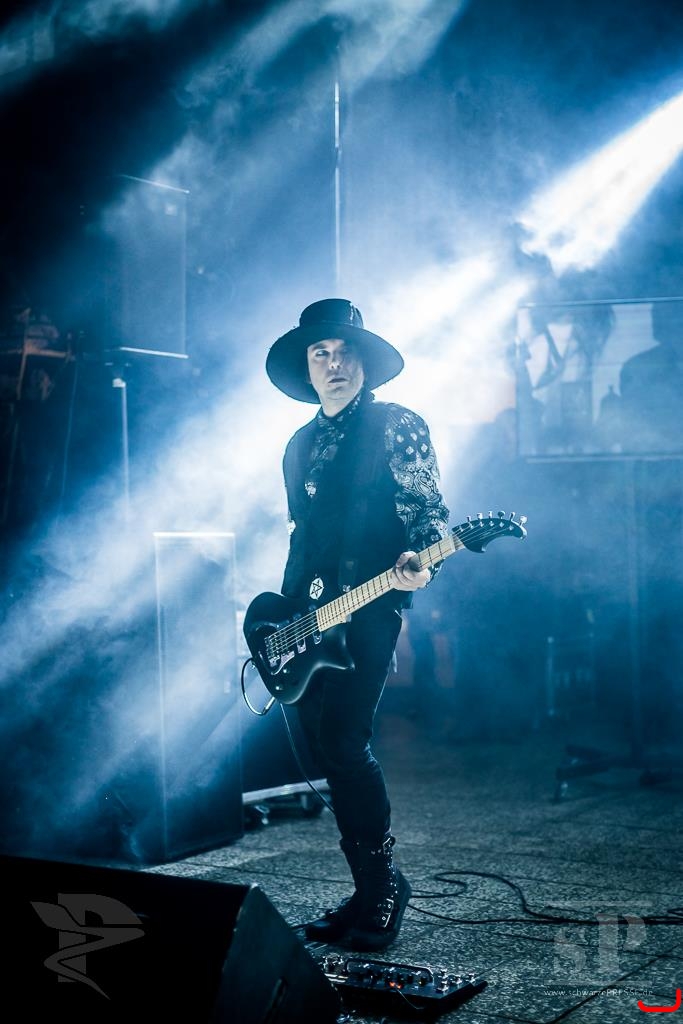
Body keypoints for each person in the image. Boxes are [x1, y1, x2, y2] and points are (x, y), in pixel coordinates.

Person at [265, 298, 450, 951]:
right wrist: (281, 623)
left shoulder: (397, 424)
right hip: (306, 622)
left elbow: (429, 516)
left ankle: (382, 891)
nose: (334, 363)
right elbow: (302, 537)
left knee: (344, 741)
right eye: (321, 353)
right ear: (307, 367)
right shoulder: (298, 444)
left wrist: (421, 565)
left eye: (345, 352)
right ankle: (370, 888)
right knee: (326, 748)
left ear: (364, 363)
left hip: (370, 606)